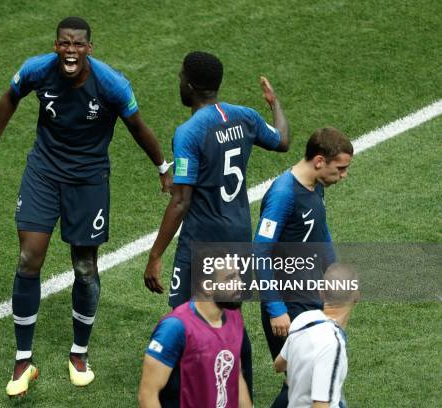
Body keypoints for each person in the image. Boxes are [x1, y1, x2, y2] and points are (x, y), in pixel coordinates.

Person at [0, 17, 172, 397]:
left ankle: (79, 353)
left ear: (89, 49)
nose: (70, 50)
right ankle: (23, 359)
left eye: (78, 44)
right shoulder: (38, 69)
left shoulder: (112, 84)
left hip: (88, 181)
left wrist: (162, 167)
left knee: (84, 267)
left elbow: (138, 126)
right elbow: (9, 98)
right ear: (56, 46)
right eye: (64, 44)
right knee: (28, 259)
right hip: (43, 174)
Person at [143, 51, 290, 397]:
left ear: (191, 86)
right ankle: (242, 396)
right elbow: (282, 141)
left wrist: (155, 254)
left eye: (181, 77)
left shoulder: (190, 132)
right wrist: (275, 104)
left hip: (202, 243)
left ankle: (187, 397)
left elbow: (181, 200)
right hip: (238, 239)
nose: (178, 81)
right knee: (230, 321)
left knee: (184, 321)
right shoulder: (244, 117)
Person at [253, 127, 353, 407]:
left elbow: (321, 233)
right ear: (319, 161)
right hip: (288, 305)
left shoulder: (316, 186)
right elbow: (260, 252)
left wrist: (335, 278)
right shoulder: (284, 194)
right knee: (303, 383)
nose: (344, 175)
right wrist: (276, 309)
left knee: (304, 383)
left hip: (311, 299)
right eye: (341, 168)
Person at [139, 263, 253, 408]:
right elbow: (147, 395)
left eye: (238, 276)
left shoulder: (234, 317)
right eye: (230, 279)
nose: (239, 284)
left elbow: (235, 375)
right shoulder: (175, 328)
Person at [274, 263, 358, 408]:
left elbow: (279, 365)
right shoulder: (333, 344)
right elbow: (320, 404)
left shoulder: (303, 319)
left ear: (321, 292)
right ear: (356, 296)